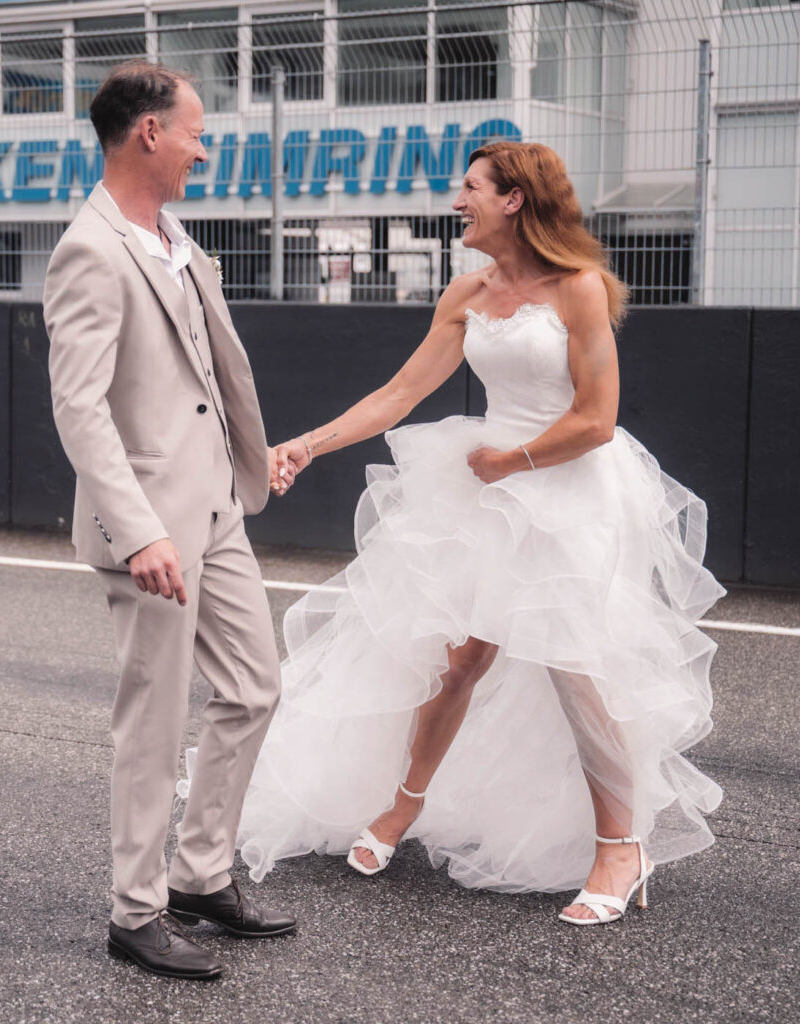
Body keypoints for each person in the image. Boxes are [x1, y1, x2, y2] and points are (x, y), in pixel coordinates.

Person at [240, 141, 724, 925]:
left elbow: (597, 419)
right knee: (458, 656)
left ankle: (620, 847)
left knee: (575, 668)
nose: (455, 199)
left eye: (469, 187)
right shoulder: (467, 292)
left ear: (514, 201)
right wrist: (305, 444)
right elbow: (398, 394)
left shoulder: (581, 291)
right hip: (488, 487)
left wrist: (516, 461)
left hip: (567, 488)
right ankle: (403, 806)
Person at [43, 61, 295, 980]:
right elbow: (82, 407)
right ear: (149, 133)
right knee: (152, 722)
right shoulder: (91, 249)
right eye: (195, 131)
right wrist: (138, 527)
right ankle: (136, 912)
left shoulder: (175, 236)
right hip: (150, 526)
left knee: (255, 688)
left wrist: (244, 455)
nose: (204, 146)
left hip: (219, 508)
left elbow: (201, 377)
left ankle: (198, 875)